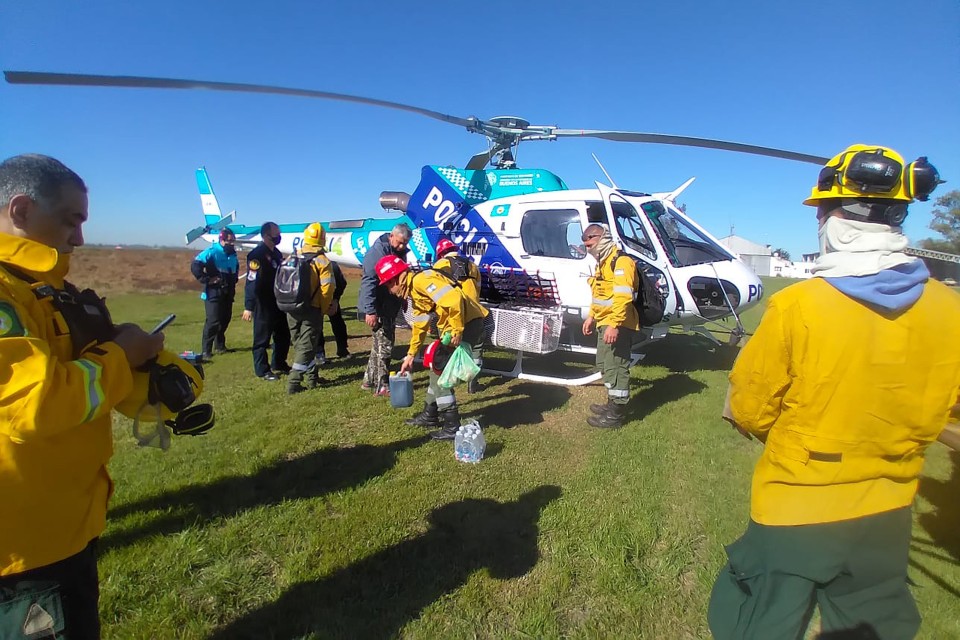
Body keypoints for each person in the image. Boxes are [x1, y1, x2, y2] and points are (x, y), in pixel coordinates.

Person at [709, 145, 959, 640]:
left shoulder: (798, 305)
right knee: (875, 623)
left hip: (794, 505)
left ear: (833, 218)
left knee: (758, 617)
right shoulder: (948, 309)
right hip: (888, 510)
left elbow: (749, 407)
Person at [0, 154, 166, 638]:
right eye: (70, 220)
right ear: (21, 210)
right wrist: (120, 354)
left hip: (58, 522)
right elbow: (37, 404)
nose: (78, 238)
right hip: (26, 542)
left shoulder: (39, 290)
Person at [383, 255, 489, 440]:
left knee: (441, 373)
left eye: (388, 285)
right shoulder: (416, 290)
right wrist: (410, 354)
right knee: (436, 369)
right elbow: (420, 325)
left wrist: (456, 330)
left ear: (397, 278)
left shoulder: (421, 281)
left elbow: (454, 299)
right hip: (462, 325)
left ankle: (451, 426)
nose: (390, 291)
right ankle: (430, 415)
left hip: (465, 326)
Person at [581, 223, 640, 429]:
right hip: (604, 322)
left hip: (618, 324)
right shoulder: (602, 263)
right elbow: (600, 296)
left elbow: (623, 297)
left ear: (603, 236)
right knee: (605, 365)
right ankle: (611, 403)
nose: (586, 242)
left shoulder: (621, 261)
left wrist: (614, 325)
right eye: (584, 239)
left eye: (590, 237)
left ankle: (616, 414)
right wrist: (591, 317)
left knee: (617, 366)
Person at [358, 223, 411, 395]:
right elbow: (369, 283)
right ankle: (382, 385)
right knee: (385, 345)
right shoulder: (377, 254)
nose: (402, 246)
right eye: (400, 242)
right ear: (391, 237)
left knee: (378, 345)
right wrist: (370, 310)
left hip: (390, 305)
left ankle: (368, 381)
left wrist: (402, 298)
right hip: (379, 307)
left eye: (405, 243)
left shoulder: (399, 253)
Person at [285, 223, 335, 394]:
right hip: (311, 309)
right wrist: (323, 308)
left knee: (302, 344)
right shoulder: (322, 261)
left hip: (291, 307)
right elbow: (327, 289)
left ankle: (312, 378)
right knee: (306, 347)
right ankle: (293, 382)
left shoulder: (293, 256)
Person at [433, 237, 485, 393]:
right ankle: (473, 382)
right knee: (476, 348)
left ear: (441, 254)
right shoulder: (473, 266)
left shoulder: (439, 265)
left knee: (446, 349)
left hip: (451, 317)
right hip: (474, 314)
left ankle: (446, 383)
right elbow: (478, 290)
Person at [242, 221, 290, 381]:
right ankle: (262, 370)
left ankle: (279, 363)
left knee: (283, 334)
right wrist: (249, 306)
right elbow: (251, 281)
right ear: (265, 236)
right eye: (275, 234)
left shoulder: (276, 253)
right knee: (262, 337)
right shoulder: (256, 256)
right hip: (263, 301)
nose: (278, 236)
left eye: (278, 233)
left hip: (278, 300)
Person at [190, 227, 239, 358]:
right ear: (222, 240)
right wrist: (206, 279)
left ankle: (220, 345)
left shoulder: (233, 254)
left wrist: (233, 280)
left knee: (225, 320)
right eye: (229, 241)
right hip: (213, 293)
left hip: (227, 293)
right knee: (213, 321)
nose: (232, 243)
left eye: (233, 241)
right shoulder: (212, 252)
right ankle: (206, 350)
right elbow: (195, 265)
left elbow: (235, 268)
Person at [318, 258, 350, 361]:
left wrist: (335, 299)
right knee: (317, 327)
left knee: (338, 324)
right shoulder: (309, 264)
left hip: (331, 300)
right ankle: (319, 353)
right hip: (316, 302)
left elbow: (341, 283)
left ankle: (342, 349)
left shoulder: (332, 265)